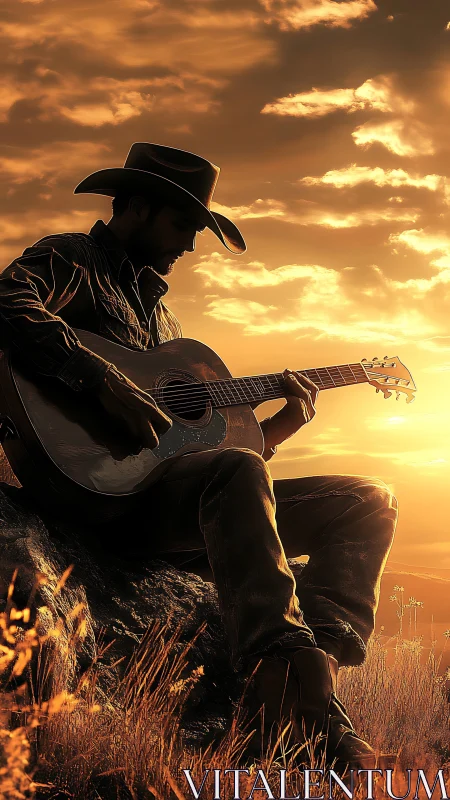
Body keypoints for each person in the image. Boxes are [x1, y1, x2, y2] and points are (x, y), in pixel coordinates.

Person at [0, 142, 397, 769]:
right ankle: (291, 704)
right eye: (183, 224)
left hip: (160, 500)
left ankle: (312, 685)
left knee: (366, 500)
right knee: (242, 471)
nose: (189, 245)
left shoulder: (164, 320)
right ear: (132, 205)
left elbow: (203, 459)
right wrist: (103, 381)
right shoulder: (69, 260)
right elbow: (6, 306)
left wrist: (281, 428)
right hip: (87, 489)